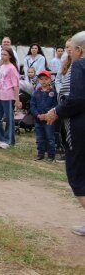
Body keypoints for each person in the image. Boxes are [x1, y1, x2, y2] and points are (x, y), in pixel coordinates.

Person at [45, 31, 85, 236]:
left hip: (79, 129)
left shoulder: (80, 65)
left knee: (77, 176)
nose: (69, 54)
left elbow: (77, 99)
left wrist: (56, 112)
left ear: (80, 50)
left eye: (70, 50)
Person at [0, 46, 22, 149]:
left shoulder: (12, 68)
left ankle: (10, 140)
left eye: (5, 54)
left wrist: (17, 100)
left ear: (10, 56)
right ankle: (1, 138)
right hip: (0, 96)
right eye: (2, 54)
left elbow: (15, 85)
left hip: (8, 96)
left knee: (9, 119)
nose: (2, 56)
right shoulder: (2, 66)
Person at [30, 70, 58, 162]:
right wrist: (38, 115)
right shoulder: (36, 93)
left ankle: (51, 155)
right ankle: (40, 153)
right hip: (38, 120)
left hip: (49, 119)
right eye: (41, 79)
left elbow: (55, 105)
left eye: (46, 79)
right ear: (38, 80)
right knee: (40, 137)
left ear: (50, 80)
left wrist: (48, 115)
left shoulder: (53, 93)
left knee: (50, 137)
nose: (43, 81)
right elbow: (32, 106)